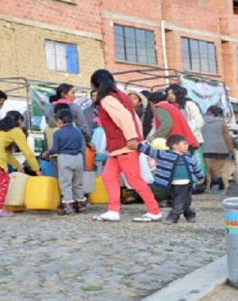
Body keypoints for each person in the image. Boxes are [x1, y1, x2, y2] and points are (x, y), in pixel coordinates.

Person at [89, 69, 161, 222]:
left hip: (123, 145)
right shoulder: (121, 96)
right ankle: (113, 210)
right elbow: (133, 117)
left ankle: (154, 210)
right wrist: (137, 137)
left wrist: (132, 138)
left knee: (134, 179)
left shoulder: (107, 99)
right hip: (121, 146)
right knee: (109, 177)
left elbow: (125, 117)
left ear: (96, 84)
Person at [0, 111, 42, 217]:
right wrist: (36, 169)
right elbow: (27, 152)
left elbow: (5, 153)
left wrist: (17, 166)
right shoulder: (16, 131)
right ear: (19, 120)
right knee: (3, 180)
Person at [138, 134, 205, 224]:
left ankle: (173, 217)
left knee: (179, 201)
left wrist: (200, 177)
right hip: (172, 183)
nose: (187, 146)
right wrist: (138, 146)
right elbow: (150, 151)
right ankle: (190, 215)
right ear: (175, 146)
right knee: (183, 201)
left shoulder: (189, 157)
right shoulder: (165, 154)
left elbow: (196, 168)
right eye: (184, 144)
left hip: (186, 183)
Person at [41, 109, 88, 215]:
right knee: (78, 182)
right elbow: (81, 145)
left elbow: (55, 149)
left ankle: (69, 206)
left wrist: (47, 153)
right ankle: (81, 205)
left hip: (64, 157)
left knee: (66, 183)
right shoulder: (78, 131)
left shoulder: (58, 133)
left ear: (60, 121)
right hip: (78, 157)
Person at [201, 106, 235, 192]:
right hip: (220, 148)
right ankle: (222, 186)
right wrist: (231, 149)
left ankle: (208, 186)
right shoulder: (221, 122)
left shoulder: (201, 121)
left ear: (209, 112)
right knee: (221, 168)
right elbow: (226, 137)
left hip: (206, 148)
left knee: (207, 168)